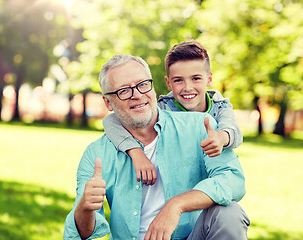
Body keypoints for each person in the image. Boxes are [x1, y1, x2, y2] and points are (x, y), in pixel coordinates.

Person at [63, 54, 249, 240]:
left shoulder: (200, 126)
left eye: (142, 84)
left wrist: (177, 205)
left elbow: (233, 179)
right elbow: (81, 234)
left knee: (229, 213)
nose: (137, 94)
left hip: (191, 236)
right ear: (108, 102)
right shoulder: (97, 154)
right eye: (124, 91)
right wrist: (85, 208)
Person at [103, 40, 242, 185]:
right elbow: (110, 121)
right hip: (179, 183)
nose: (187, 87)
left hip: (212, 181)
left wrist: (222, 138)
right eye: (178, 80)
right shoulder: (163, 108)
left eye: (196, 78)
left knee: (229, 206)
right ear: (168, 83)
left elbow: (232, 130)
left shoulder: (220, 106)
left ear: (209, 79)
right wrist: (135, 152)